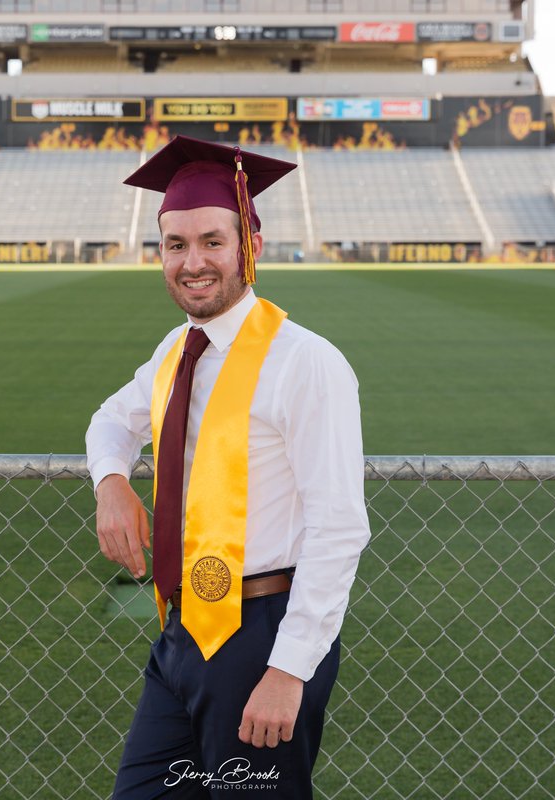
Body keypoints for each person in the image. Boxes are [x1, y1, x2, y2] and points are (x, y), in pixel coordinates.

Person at [86, 136, 370, 799]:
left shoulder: (306, 362)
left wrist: (289, 670)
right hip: (182, 633)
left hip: (262, 636)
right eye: (175, 245)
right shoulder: (177, 350)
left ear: (252, 247)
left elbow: (339, 527)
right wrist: (112, 483)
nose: (193, 263)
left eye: (213, 241)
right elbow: (112, 418)